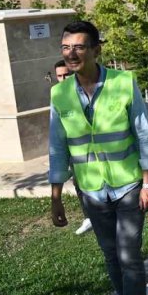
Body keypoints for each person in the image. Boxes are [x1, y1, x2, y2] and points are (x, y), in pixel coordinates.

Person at [49, 20, 148, 295]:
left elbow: (143, 133)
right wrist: (56, 198)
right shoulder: (59, 93)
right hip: (91, 190)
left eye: (79, 47)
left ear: (96, 49)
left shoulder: (124, 83)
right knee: (111, 257)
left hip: (127, 184)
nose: (71, 54)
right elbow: (58, 146)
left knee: (129, 257)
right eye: (66, 48)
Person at [53, 59, 94, 236]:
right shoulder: (58, 95)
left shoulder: (87, 92)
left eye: (66, 75)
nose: (63, 79)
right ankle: (88, 216)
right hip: (75, 153)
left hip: (97, 154)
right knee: (78, 183)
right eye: (59, 76)